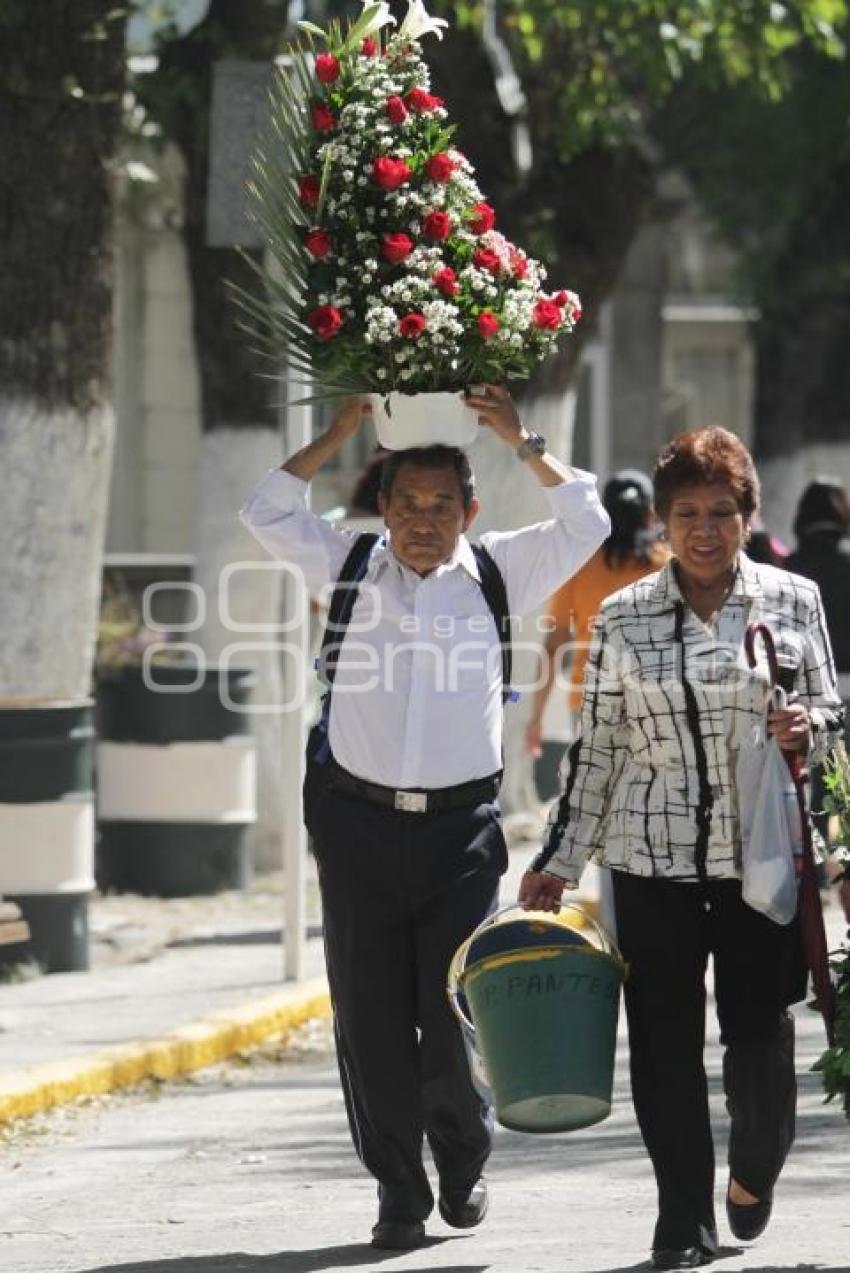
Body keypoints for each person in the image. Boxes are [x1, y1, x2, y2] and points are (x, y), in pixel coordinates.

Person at [239, 385, 610, 1251]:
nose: (425, 519)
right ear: (383, 506)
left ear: (469, 510)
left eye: (443, 504)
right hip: (357, 828)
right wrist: (337, 430)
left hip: (459, 836)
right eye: (408, 503)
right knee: (370, 1022)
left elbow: (585, 521)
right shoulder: (343, 565)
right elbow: (265, 506)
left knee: (450, 1014)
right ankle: (398, 1192)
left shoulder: (496, 571)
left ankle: (463, 1158)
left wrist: (521, 437)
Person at [518, 426, 846, 1271]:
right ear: (663, 521)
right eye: (687, 513)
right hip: (650, 857)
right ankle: (681, 1219)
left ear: (748, 515)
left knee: (760, 1038)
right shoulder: (624, 615)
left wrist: (811, 727)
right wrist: (562, 856)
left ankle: (754, 1171)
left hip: (761, 861)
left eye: (723, 512)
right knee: (663, 1042)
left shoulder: (793, 599)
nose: (705, 529)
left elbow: (835, 716)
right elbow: (599, 748)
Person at [524, 468, 668, 763]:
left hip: (590, 701)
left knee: (593, 800)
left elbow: (554, 646)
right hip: (658, 703)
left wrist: (536, 717)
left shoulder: (580, 566)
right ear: (650, 515)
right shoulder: (668, 568)